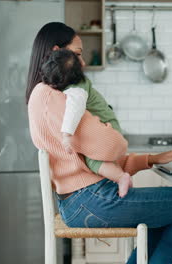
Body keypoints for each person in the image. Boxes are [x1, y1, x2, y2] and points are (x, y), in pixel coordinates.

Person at [26, 22, 172, 264]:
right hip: (90, 200)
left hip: (85, 199)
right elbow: (113, 146)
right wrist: (109, 129)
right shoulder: (55, 98)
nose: (83, 63)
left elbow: (97, 159)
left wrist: (150, 159)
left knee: (169, 210)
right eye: (78, 54)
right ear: (57, 52)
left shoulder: (48, 95)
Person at [40, 49, 132, 197]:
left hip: (108, 126)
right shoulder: (77, 82)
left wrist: (67, 134)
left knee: (92, 160)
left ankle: (121, 177)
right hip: (108, 124)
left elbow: (74, 109)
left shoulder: (77, 89)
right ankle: (119, 177)